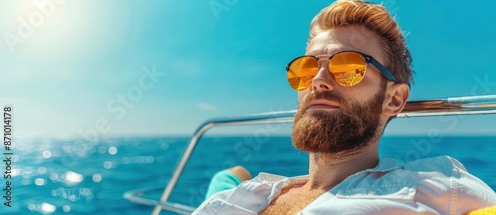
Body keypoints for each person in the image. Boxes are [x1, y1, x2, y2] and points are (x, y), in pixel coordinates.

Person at [193, 0, 496, 214]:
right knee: (230, 175)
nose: (318, 81)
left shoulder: (437, 186)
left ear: (394, 99)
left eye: (348, 67)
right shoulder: (245, 197)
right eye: (306, 68)